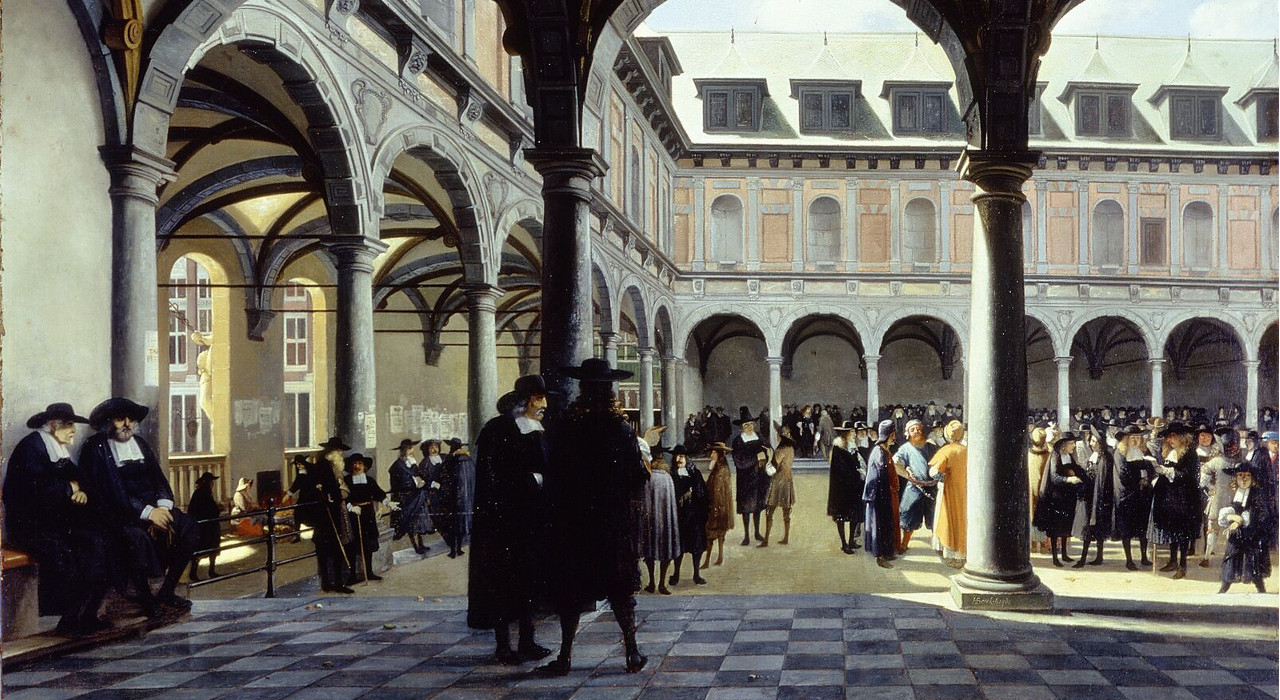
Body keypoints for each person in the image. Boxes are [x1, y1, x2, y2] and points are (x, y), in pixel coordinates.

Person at [539, 359, 651, 676]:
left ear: (583, 390)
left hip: (574, 521)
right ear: (609, 392)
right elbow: (636, 477)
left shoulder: (566, 427)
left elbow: (554, 473)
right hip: (611, 522)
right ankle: (632, 653)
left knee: (571, 592)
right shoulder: (620, 429)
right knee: (620, 591)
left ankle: (565, 657)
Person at [80, 397, 199, 616]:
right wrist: (148, 513)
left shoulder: (141, 444)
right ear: (108, 422)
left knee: (189, 527)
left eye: (130, 419)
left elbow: (159, 480)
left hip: (153, 509)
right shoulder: (95, 447)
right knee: (136, 538)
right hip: (118, 514)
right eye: (119, 419)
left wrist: (162, 507)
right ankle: (146, 599)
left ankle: (167, 591)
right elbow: (110, 491)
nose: (126, 424)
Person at [468, 375, 555, 665]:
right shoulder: (499, 429)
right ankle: (503, 646)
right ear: (529, 399)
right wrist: (529, 480)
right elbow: (492, 477)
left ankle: (528, 641)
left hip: (532, 520)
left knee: (529, 581)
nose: (545, 404)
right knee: (502, 583)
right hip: (503, 521)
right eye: (540, 399)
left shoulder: (541, 429)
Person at [3, 403, 111, 634]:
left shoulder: (59, 448)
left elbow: (79, 478)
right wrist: (70, 488)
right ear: (53, 426)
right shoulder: (32, 447)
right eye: (69, 425)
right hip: (29, 526)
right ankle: (69, 620)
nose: (74, 430)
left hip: (55, 524)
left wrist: (80, 489)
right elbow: (33, 490)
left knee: (99, 543)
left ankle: (87, 615)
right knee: (66, 554)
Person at [291, 437, 355, 594]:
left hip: (331, 511)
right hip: (326, 513)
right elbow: (324, 488)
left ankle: (332, 582)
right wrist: (334, 496)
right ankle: (333, 582)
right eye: (339, 451)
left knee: (330, 548)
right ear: (332, 452)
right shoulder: (324, 466)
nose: (340, 454)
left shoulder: (332, 466)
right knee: (330, 549)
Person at [1151, 422, 1201, 579]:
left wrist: (1168, 471)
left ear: (1182, 437)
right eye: (1169, 437)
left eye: (1174, 436)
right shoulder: (1170, 452)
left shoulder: (1190, 454)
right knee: (1172, 530)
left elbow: (1188, 476)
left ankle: (1182, 566)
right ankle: (1172, 561)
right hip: (1170, 498)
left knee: (1183, 533)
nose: (1171, 440)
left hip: (1184, 499)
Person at [1217, 462, 1273, 593]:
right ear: (1235, 478)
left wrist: (1241, 520)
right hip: (1236, 534)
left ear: (1252, 479)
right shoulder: (1232, 493)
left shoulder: (1257, 494)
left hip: (1252, 533)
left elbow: (1259, 514)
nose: (1244, 478)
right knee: (1231, 558)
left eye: (1248, 475)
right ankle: (1224, 588)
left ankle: (1261, 588)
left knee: (1253, 562)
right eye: (1240, 475)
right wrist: (1232, 518)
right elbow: (1227, 513)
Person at [1033, 431, 1085, 567]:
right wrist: (1069, 479)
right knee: (1056, 528)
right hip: (1056, 497)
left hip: (1067, 496)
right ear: (1064, 444)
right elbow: (1054, 477)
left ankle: (1065, 554)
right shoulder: (1056, 456)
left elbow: (1076, 469)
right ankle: (1056, 558)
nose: (1074, 445)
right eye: (1072, 443)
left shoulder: (1068, 455)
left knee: (1066, 526)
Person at [638, 449, 680, 594]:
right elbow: (671, 504)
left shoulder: (647, 477)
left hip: (649, 521)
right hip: (665, 522)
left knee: (649, 552)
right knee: (665, 551)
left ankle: (651, 583)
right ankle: (662, 584)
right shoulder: (667, 477)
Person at [893, 419, 939, 555]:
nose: (917, 431)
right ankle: (904, 544)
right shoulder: (905, 449)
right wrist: (907, 475)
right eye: (913, 430)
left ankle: (938, 546)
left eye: (919, 429)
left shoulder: (931, 446)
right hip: (914, 488)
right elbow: (895, 463)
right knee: (909, 517)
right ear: (907, 433)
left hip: (932, 488)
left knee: (934, 517)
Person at [1112, 425, 1154, 570]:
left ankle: (1143, 557)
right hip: (1126, 496)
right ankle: (1129, 560)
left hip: (1142, 495)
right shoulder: (1120, 453)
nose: (1136, 440)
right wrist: (1139, 480)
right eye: (1132, 438)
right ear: (1126, 439)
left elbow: (1151, 468)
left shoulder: (1144, 451)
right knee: (1127, 529)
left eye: (1138, 437)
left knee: (1143, 528)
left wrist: (1147, 478)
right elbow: (1123, 474)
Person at [1200, 427, 1241, 568]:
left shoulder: (1216, 461)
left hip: (1219, 499)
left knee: (1213, 528)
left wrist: (1210, 489)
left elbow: (1202, 481)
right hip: (1235, 499)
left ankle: (1206, 558)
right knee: (1233, 528)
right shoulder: (1239, 463)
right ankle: (1231, 560)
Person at [1074, 428, 1115, 568]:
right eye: (1090, 441)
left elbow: (1102, 481)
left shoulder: (1105, 458)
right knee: (1088, 529)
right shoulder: (1095, 456)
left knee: (1097, 529)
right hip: (1091, 497)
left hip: (1099, 498)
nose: (1091, 443)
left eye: (1093, 441)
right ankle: (1084, 558)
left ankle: (1097, 557)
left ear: (1100, 442)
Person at [928, 420, 967, 568]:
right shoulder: (967, 450)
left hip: (948, 491)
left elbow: (934, 472)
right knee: (962, 521)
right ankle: (963, 556)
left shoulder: (946, 450)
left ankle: (954, 556)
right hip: (965, 492)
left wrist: (940, 476)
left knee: (948, 520)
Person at [669, 445, 708, 586]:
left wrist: (693, 495)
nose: (679, 459)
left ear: (687, 458)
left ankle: (696, 574)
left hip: (694, 516)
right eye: (677, 456)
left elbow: (703, 493)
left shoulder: (695, 473)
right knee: (678, 547)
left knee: (696, 547)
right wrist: (681, 496)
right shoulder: (671, 474)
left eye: (682, 456)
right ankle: (676, 574)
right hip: (678, 516)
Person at [345, 453, 386, 583]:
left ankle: (369, 572)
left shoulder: (369, 480)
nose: (357, 466)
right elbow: (343, 497)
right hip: (353, 515)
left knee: (368, 544)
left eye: (360, 464)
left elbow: (378, 493)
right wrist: (351, 507)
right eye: (355, 464)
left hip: (367, 514)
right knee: (353, 545)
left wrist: (386, 502)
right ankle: (352, 575)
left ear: (365, 466)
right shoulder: (347, 481)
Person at [731, 409, 770, 545]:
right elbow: (739, 462)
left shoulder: (759, 437)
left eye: (751, 424)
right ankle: (747, 535)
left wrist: (768, 454)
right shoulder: (738, 441)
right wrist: (756, 458)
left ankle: (757, 532)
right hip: (746, 479)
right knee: (746, 508)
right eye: (746, 425)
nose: (750, 427)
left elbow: (768, 448)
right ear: (742, 427)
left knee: (758, 506)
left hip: (760, 477)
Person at [863, 420, 898, 569]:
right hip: (878, 495)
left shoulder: (885, 450)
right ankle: (880, 556)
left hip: (885, 494)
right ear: (887, 435)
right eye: (892, 434)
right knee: (879, 525)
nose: (894, 437)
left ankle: (887, 552)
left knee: (885, 523)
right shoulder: (879, 452)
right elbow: (879, 477)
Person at [827, 421, 865, 554]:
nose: (854, 433)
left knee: (854, 516)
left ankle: (851, 541)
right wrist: (857, 472)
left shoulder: (852, 446)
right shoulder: (838, 449)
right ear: (846, 433)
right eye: (851, 431)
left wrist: (859, 471)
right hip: (842, 489)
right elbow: (841, 470)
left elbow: (858, 463)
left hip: (854, 487)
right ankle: (844, 544)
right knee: (842, 517)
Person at [388, 438, 431, 555]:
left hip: (415, 495)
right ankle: (416, 546)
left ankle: (421, 544)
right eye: (409, 449)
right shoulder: (398, 465)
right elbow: (403, 483)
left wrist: (416, 470)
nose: (412, 451)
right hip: (407, 497)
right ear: (404, 450)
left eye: (412, 448)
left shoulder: (411, 462)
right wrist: (417, 485)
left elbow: (419, 475)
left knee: (418, 521)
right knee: (411, 524)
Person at [438, 437, 476, 559]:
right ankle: (459, 549)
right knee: (460, 524)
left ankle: (453, 550)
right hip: (466, 498)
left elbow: (444, 477)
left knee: (452, 525)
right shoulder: (468, 459)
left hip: (453, 497)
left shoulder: (450, 459)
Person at [760, 424, 796, 547]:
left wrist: (768, 456)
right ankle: (786, 537)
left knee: (769, 511)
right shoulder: (791, 449)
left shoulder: (780, 451)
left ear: (780, 437)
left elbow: (771, 470)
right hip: (788, 481)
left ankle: (765, 540)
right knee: (786, 511)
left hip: (778, 482)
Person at [703, 442, 734, 568]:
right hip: (720, 507)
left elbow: (717, 490)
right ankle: (715, 558)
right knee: (718, 534)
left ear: (719, 454)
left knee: (712, 535)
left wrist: (713, 508)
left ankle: (710, 560)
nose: (711, 455)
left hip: (717, 507)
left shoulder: (721, 470)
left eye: (714, 452)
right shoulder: (720, 468)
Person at [186, 471, 222, 581]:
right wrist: (218, 508)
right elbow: (211, 510)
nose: (212, 484)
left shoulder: (201, 493)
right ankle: (200, 572)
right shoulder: (203, 493)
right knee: (203, 549)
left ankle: (207, 571)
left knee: (204, 549)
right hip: (206, 527)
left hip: (205, 526)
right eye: (211, 481)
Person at [1027, 426, 1051, 555]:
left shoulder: (1028, 455)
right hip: (1043, 492)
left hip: (1031, 492)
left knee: (1032, 516)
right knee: (1042, 517)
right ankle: (1042, 545)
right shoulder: (1048, 456)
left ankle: (1033, 544)